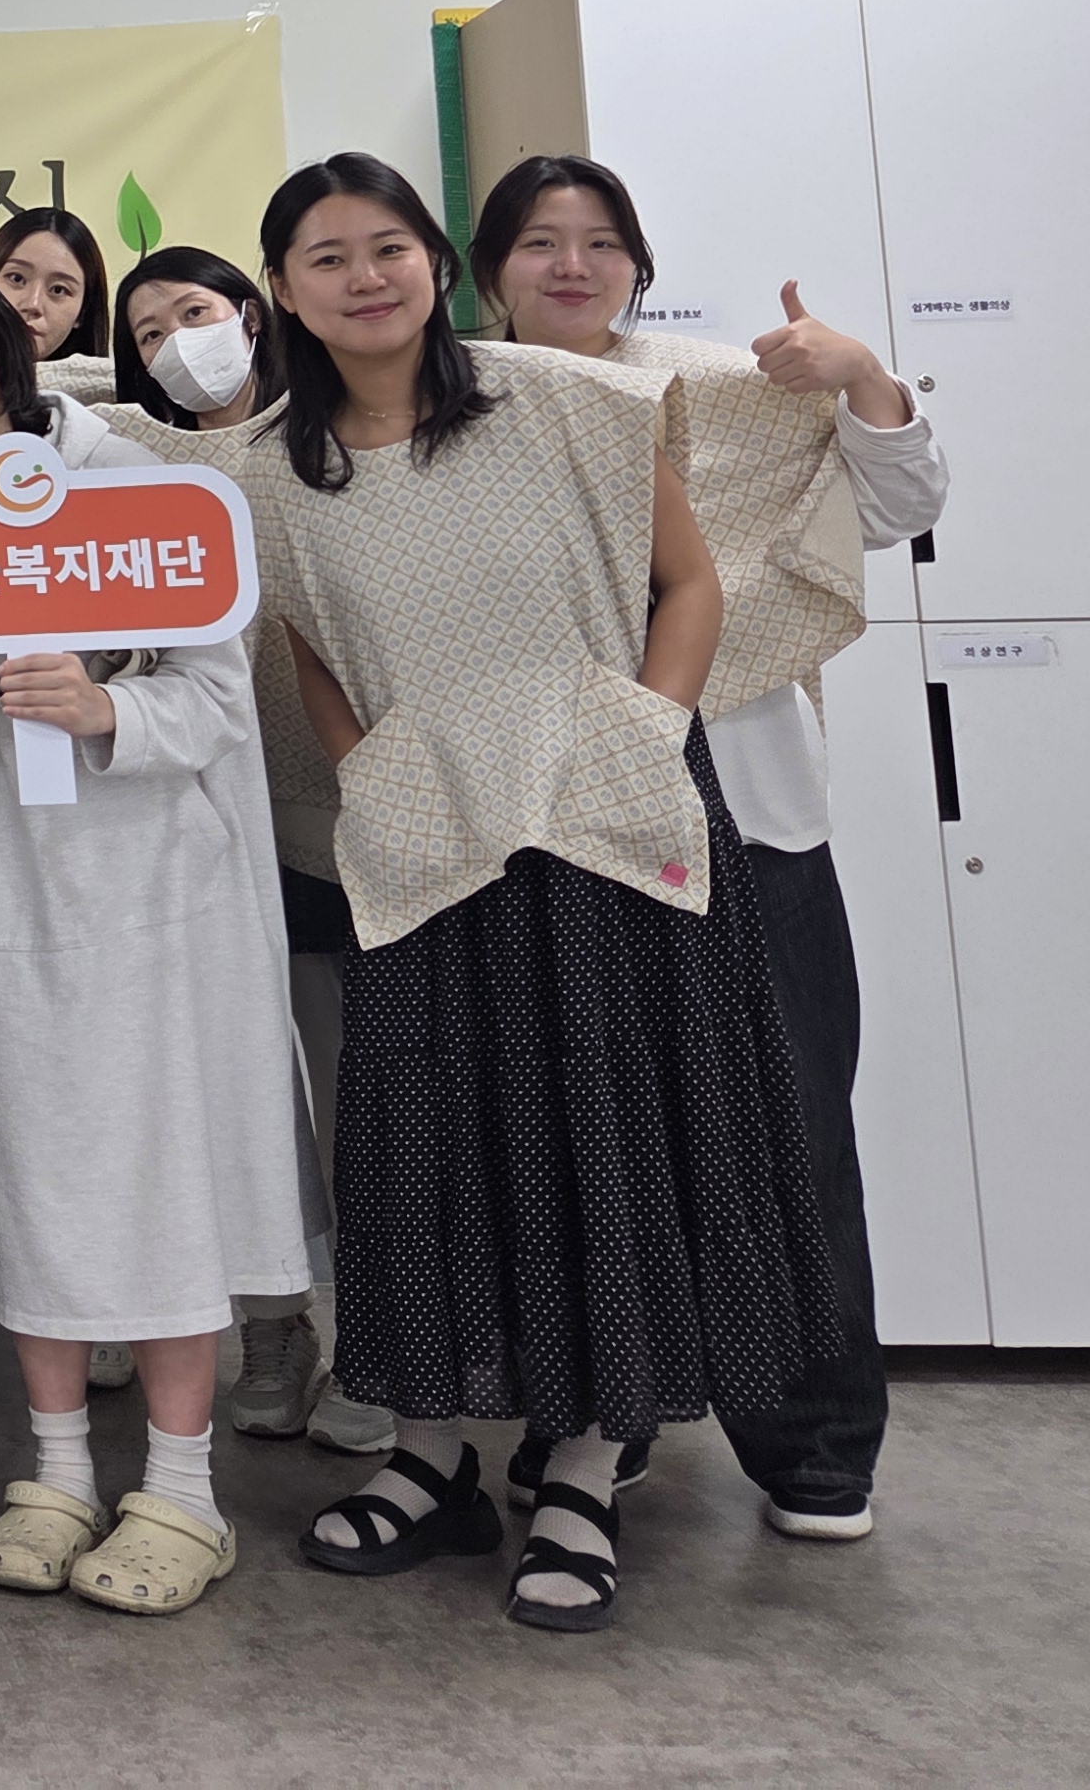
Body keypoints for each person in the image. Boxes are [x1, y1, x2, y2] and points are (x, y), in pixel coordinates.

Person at [242, 155, 830, 1634]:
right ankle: (432, 1454)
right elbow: (308, 645)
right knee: (421, 1148)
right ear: (284, 291)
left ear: (436, 263)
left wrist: (642, 736)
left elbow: (688, 584)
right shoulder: (266, 472)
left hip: (608, 825)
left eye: (387, 247)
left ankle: (577, 1472)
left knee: (605, 1144)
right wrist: (369, 772)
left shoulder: (568, 400)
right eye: (326, 257)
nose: (363, 278)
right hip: (422, 840)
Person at [0, 245, 319, 1620]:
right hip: (12, 876)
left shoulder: (141, 484)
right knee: (37, 1166)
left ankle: (183, 1490)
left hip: (158, 874)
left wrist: (106, 711)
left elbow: (217, 701)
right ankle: (52, 1471)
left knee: (164, 1175)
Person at [468, 155, 942, 1545]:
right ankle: (595, 1420)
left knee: (793, 1132)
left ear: (638, 265)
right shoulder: (446, 409)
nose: (572, 264)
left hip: (748, 812)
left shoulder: (731, 390)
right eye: (539, 241)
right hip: (545, 826)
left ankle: (815, 1441)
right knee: (581, 1136)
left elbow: (898, 508)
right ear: (489, 270)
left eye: (600, 241)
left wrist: (863, 380)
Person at [111, 243, 374, 1457]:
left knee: (358, 1091)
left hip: (341, 816)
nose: (179, 344)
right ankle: (273, 1326)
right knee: (236, 1092)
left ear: (253, 314)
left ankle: (378, 1333)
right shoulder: (132, 464)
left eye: (194, 313)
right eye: (147, 333)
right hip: (196, 823)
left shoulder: (330, 438)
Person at [0, 202, 112, 403]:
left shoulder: (109, 406)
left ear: (82, 313)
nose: (33, 304)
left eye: (58, 290)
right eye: (16, 278)